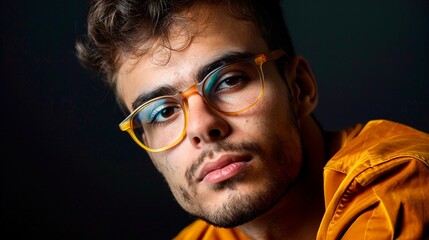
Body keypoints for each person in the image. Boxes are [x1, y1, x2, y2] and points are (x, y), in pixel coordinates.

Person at [75, 0, 429, 239]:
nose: (201, 126)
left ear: (299, 87)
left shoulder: (396, 184)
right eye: (163, 112)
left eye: (228, 80)